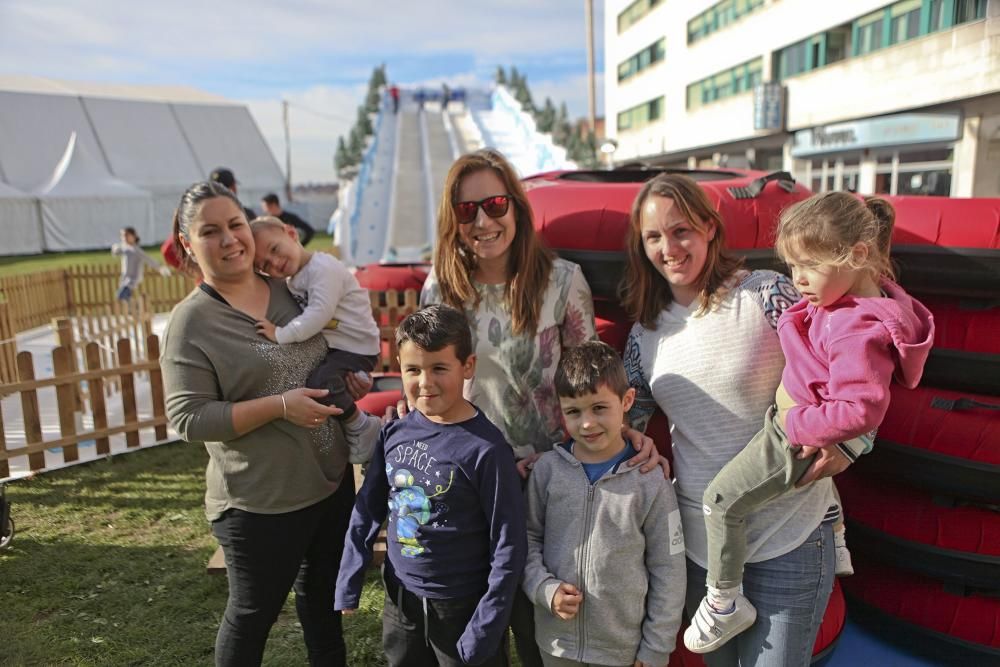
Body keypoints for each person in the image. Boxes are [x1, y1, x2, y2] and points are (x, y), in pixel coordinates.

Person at [421, 148, 661, 666]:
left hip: (548, 478)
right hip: (470, 478)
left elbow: (588, 377)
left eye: (494, 204)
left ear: (516, 207)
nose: (483, 221)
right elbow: (430, 387)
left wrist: (628, 432)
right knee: (476, 628)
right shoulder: (442, 288)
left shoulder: (560, 281)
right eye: (467, 211)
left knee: (539, 626)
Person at [683, 192, 934, 654]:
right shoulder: (848, 300)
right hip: (800, 419)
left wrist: (798, 426)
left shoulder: (855, 328)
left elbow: (862, 408)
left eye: (808, 266)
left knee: (720, 500)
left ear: (857, 254)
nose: (797, 280)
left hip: (794, 432)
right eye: (792, 266)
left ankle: (723, 603)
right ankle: (836, 531)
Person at [621, 173, 846, 667]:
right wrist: (640, 443)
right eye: (654, 237)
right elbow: (629, 423)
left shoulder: (768, 296)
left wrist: (852, 443)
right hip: (704, 555)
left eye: (681, 230)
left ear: (708, 228)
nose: (669, 247)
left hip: (790, 535)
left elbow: (846, 366)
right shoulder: (643, 337)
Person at [160, 181, 356, 667]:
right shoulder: (192, 322)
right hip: (260, 504)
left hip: (330, 485)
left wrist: (350, 383)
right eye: (210, 231)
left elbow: (326, 349)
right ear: (188, 243)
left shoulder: (288, 289)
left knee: (323, 606)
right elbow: (188, 417)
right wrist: (279, 406)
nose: (229, 239)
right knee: (253, 616)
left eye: (234, 224)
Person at [336, 304, 526, 667]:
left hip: (464, 609)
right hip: (402, 600)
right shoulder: (394, 432)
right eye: (413, 370)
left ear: (467, 366)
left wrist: (486, 626)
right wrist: (349, 575)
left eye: (439, 368)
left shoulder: (487, 450)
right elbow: (368, 506)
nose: (425, 382)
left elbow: (509, 543)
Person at [524, 341, 686, 667]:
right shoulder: (547, 472)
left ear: (626, 402)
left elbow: (669, 571)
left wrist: (656, 648)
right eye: (574, 411)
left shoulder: (650, 482)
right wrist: (544, 589)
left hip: (623, 652)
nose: (587, 423)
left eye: (599, 408)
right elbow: (527, 540)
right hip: (557, 646)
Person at [250, 216, 381, 461]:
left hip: (355, 347)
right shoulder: (293, 278)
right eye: (265, 265)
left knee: (322, 383)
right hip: (339, 346)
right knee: (325, 380)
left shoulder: (323, 269)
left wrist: (280, 334)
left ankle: (362, 426)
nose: (275, 263)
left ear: (291, 233)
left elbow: (319, 313)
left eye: (275, 249)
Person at [111, 226, 170, 301]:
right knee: (126, 299)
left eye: (126, 235)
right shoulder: (125, 248)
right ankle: (136, 309)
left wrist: (160, 268)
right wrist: (115, 248)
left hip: (132, 280)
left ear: (134, 236)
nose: (124, 238)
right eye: (122, 236)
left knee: (120, 296)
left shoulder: (136, 250)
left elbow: (148, 259)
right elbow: (116, 251)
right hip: (124, 279)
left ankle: (136, 308)